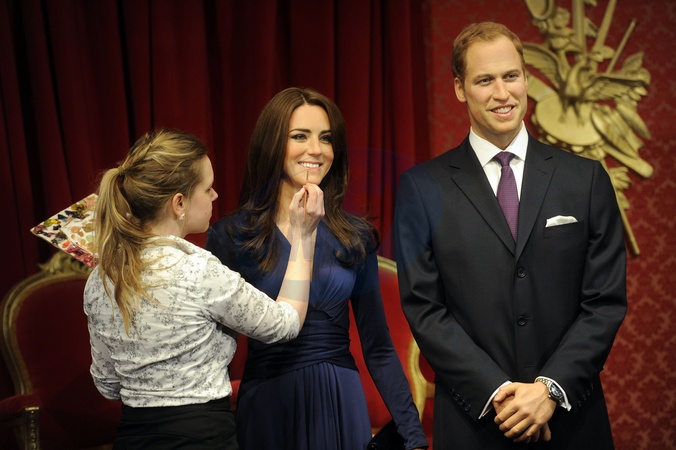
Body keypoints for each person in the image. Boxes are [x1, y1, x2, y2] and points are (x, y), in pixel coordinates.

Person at [394, 22, 627, 449]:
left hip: (572, 421)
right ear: (460, 88)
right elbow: (425, 310)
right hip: (475, 423)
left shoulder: (586, 180)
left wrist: (550, 389)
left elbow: (604, 302)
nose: (502, 93)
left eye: (511, 76)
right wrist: (499, 393)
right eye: (485, 80)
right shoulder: (421, 189)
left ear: (526, 78)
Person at [206, 87, 428, 450]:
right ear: (272, 144)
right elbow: (217, 353)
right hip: (269, 405)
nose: (316, 149)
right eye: (300, 136)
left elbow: (378, 346)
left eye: (326, 138)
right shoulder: (231, 236)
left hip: (341, 402)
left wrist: (414, 438)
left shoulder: (355, 237)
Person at [84, 128, 324, 450]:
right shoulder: (198, 271)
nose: (215, 196)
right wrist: (304, 237)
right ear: (179, 202)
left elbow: (108, 384)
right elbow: (285, 324)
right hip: (202, 437)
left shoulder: (100, 277)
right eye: (208, 188)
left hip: (133, 438)